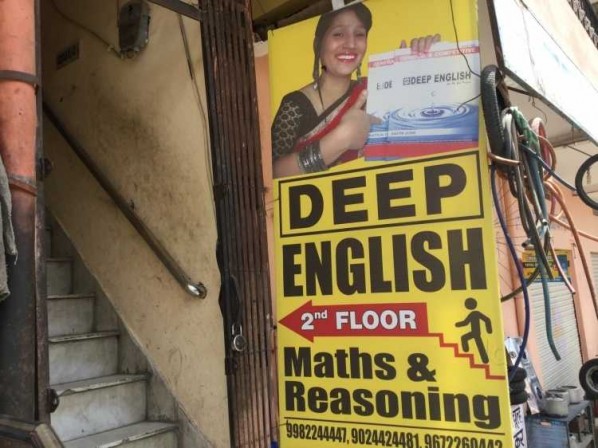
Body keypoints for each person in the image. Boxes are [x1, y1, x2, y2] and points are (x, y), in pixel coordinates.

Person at [271, 1, 440, 178]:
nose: (351, 44)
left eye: (359, 34)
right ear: (318, 44)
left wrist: (419, 69)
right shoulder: (295, 106)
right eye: (338, 34)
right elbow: (270, 174)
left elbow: (416, 139)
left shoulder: (374, 90)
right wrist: (342, 138)